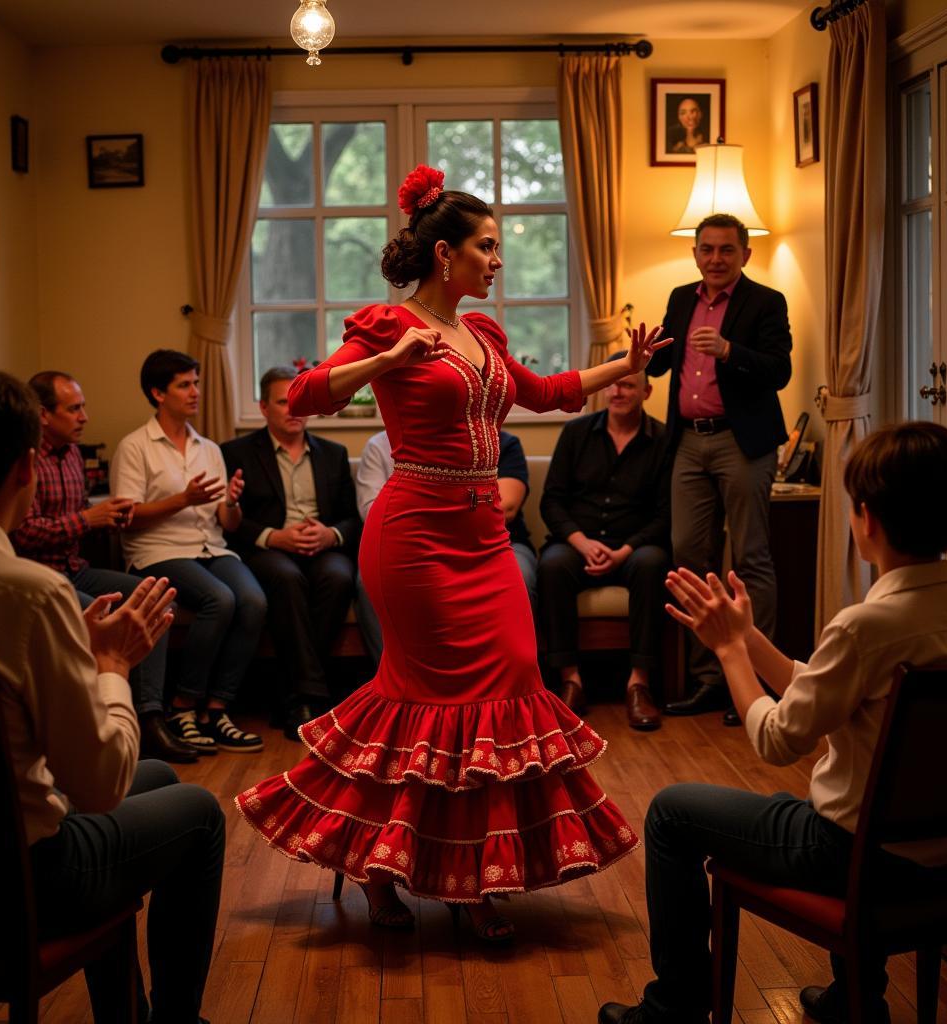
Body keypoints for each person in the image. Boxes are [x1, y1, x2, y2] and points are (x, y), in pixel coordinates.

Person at [235, 164, 671, 943]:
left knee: (509, 682)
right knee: (424, 704)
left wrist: (625, 367)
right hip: (413, 539)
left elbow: (544, 394)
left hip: (484, 540)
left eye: (499, 247)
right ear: (447, 254)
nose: (498, 260)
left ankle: (474, 871)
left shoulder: (486, 335)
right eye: (488, 245)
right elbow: (304, 396)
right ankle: (388, 870)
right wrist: (385, 363)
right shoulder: (382, 324)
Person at [598, 422, 947, 1024]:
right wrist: (749, 637)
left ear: (867, 520)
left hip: (849, 857)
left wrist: (727, 654)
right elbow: (830, 692)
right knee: (837, 801)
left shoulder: (865, 627)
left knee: (671, 812)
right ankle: (856, 1000)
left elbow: (778, 740)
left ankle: (673, 1007)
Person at [0, 362, 224, 1024]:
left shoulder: (27, 599)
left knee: (158, 775)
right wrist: (108, 662)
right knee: (200, 813)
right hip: (20, 880)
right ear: (26, 469)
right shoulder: (27, 592)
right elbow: (98, 784)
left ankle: (125, 1011)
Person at [646, 212, 792, 726]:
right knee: (689, 556)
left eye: (726, 250)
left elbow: (780, 369)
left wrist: (730, 350)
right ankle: (711, 677)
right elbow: (662, 362)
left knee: (750, 558)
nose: (715, 259)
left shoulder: (766, 302)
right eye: (706, 249)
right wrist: (638, 358)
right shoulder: (681, 298)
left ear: (745, 255)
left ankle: (756, 682)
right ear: (695, 254)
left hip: (742, 443)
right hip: (687, 443)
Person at [12, 370, 196, 764]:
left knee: (155, 599)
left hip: (75, 566)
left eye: (84, 407)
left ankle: (149, 716)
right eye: (74, 409)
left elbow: (78, 516)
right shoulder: (23, 458)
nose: (84, 417)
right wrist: (88, 520)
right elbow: (23, 532)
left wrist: (110, 514)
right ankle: (102, 726)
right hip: (42, 575)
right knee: (113, 613)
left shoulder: (74, 455)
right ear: (44, 414)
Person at [111, 349, 266, 754]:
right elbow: (127, 517)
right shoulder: (135, 447)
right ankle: (182, 704)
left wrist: (231, 503)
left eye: (196, 383)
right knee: (220, 598)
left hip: (210, 546)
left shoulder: (208, 448)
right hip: (157, 550)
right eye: (185, 385)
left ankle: (216, 709)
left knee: (253, 600)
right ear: (158, 393)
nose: (195, 392)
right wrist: (183, 499)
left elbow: (226, 523)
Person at [221, 366, 361, 738]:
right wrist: (273, 536)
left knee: (340, 575)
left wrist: (330, 534)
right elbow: (231, 521)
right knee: (286, 577)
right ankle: (314, 696)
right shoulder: (236, 453)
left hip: (321, 547)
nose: (294, 409)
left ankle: (295, 694)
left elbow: (352, 518)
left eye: (301, 401)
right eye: (284, 402)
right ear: (264, 407)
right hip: (271, 549)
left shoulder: (333, 453)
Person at [538, 355, 671, 730]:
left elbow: (666, 513)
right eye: (613, 383)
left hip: (634, 546)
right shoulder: (576, 433)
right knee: (551, 565)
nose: (618, 390)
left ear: (646, 391)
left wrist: (624, 551)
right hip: (578, 543)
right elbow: (552, 500)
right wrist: (580, 542)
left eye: (629, 384)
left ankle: (639, 685)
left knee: (652, 563)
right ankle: (570, 680)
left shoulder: (663, 440)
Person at [354, 426, 539, 665]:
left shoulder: (502, 442)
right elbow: (374, 513)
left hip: (493, 543)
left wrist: (432, 519)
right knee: (370, 581)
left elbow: (507, 506)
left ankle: (506, 674)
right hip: (414, 546)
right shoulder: (380, 446)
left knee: (520, 576)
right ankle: (397, 677)